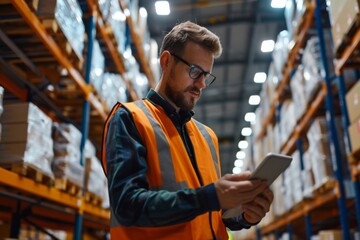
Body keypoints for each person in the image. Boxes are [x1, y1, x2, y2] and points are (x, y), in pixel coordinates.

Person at [101, 21, 273, 240]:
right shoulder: (130, 119)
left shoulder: (207, 137)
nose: (201, 84)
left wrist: (245, 215)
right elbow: (127, 205)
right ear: (166, 61)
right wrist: (211, 196)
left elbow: (213, 216)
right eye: (194, 71)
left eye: (206, 76)